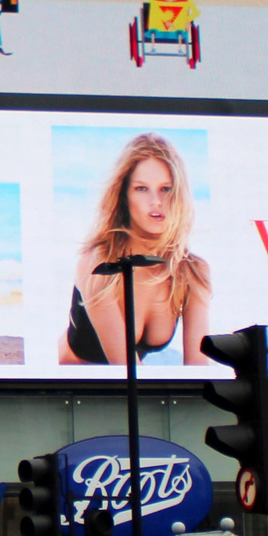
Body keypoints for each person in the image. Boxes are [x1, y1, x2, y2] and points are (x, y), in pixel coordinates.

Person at [58, 133, 213, 366]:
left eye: (166, 189)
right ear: (123, 196)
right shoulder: (99, 264)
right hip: (63, 393)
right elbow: (126, 369)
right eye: (142, 189)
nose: (156, 201)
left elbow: (199, 371)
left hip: (126, 391)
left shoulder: (192, 271)